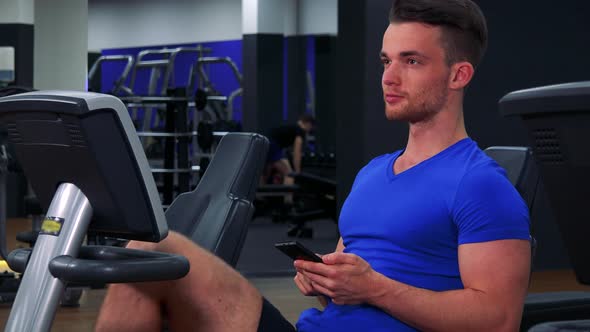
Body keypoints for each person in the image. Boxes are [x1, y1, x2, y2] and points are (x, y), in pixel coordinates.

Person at [95, 0, 532, 331]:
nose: (389, 77)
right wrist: (326, 282)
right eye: (386, 61)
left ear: (459, 75)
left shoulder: (480, 184)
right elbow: (346, 296)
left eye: (412, 61)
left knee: (155, 253)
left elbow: (498, 320)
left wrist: (374, 288)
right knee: (147, 254)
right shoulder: (372, 174)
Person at [264, 113, 315, 187]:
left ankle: (259, 197)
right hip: (272, 146)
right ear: (308, 124)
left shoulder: (292, 128)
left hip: (266, 145)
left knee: (265, 174)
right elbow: (297, 152)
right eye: (311, 127)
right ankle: (288, 198)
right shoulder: (300, 131)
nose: (310, 129)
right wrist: (297, 171)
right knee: (289, 174)